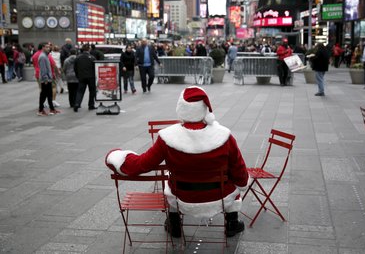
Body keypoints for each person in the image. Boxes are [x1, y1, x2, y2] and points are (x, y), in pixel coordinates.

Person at [105, 86, 249, 238]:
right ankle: (232, 223)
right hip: (219, 197)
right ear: (204, 109)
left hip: (183, 198)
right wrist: (242, 182)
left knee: (170, 181)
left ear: (181, 109)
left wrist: (117, 157)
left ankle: (174, 225)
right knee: (234, 181)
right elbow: (239, 170)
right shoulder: (224, 136)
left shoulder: (167, 137)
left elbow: (142, 164)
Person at [37, 43, 60, 116]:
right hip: (45, 79)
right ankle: (40, 110)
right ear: (43, 48)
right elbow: (43, 69)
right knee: (43, 95)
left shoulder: (45, 56)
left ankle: (52, 109)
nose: (48, 48)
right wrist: (46, 79)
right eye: (46, 47)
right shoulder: (43, 57)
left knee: (49, 94)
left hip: (48, 79)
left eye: (49, 47)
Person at [73, 44, 97, 112]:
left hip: (81, 77)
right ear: (89, 49)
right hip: (91, 77)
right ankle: (91, 105)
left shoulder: (78, 57)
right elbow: (95, 68)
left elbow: (75, 68)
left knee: (80, 91)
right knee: (92, 91)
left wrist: (78, 75)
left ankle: (77, 104)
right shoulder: (92, 58)